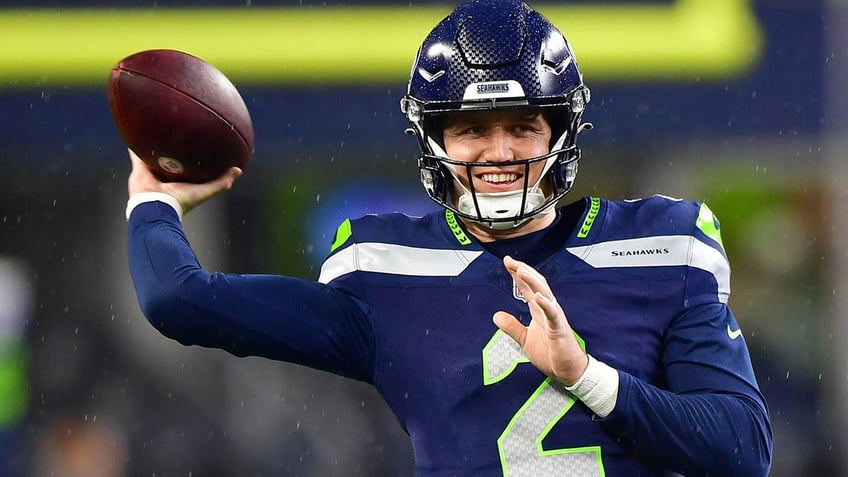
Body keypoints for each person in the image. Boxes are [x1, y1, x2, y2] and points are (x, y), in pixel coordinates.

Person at [125, 0, 773, 475]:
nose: (499, 150)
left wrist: (587, 375)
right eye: (472, 128)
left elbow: (743, 449)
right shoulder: (384, 271)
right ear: (434, 140)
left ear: (560, 132)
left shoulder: (660, 246)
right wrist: (155, 201)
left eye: (522, 125)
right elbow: (179, 300)